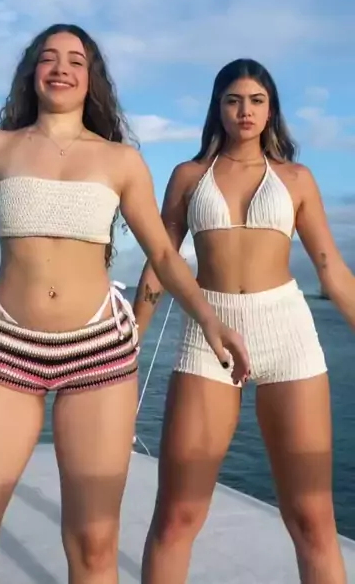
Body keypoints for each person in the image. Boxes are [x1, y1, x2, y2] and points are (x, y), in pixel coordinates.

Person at [0, 25, 249, 584]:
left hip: (100, 351)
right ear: (32, 72)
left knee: (94, 548)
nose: (61, 68)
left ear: (91, 78)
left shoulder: (121, 161)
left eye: (76, 60)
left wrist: (211, 321)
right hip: (7, 348)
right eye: (48, 58)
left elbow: (164, 256)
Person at [134, 58, 354, 584]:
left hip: (288, 334)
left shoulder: (296, 179)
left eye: (256, 100)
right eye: (233, 100)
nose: (245, 111)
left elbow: (331, 270)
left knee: (311, 518)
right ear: (218, 108)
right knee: (177, 514)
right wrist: (130, 340)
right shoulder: (189, 177)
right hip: (207, 335)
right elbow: (161, 262)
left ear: (271, 109)